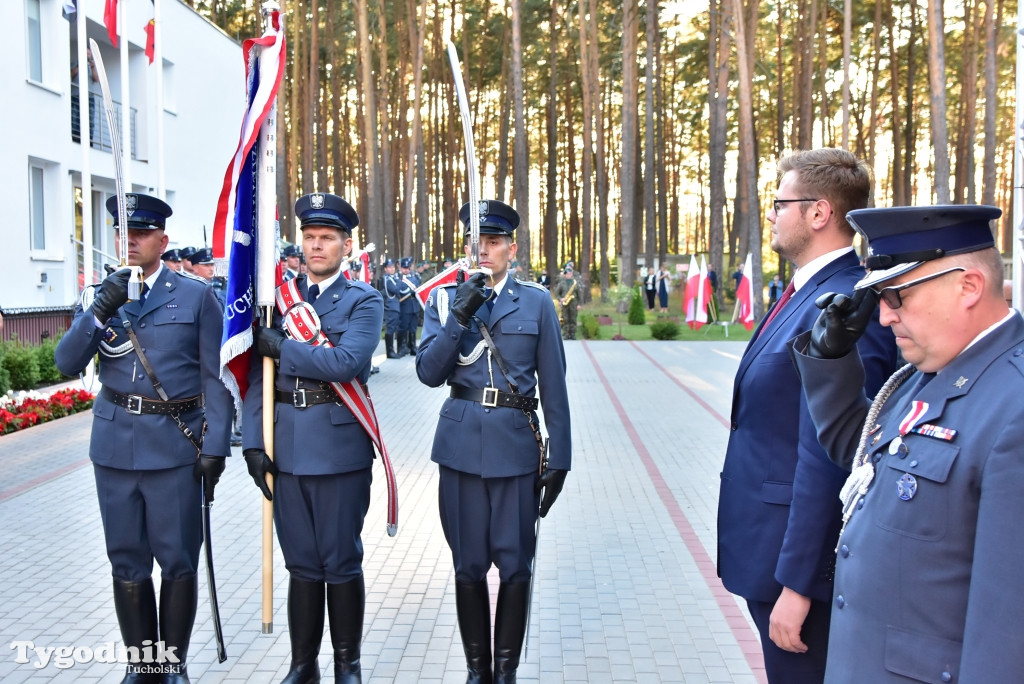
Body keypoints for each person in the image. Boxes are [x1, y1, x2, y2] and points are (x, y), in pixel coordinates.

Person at [789, 204, 1024, 682]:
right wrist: (831, 359)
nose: (883, 316)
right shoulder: (931, 375)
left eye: (897, 295)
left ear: (969, 287)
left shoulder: (1013, 404)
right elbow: (864, 456)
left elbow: (1008, 626)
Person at [716, 149, 898, 684]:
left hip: (793, 567)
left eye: (780, 203)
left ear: (819, 213)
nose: (770, 214)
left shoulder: (846, 305)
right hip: (766, 546)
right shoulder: (806, 293)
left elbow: (835, 454)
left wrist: (799, 584)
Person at [54, 193, 233, 683]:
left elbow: (214, 377)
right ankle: (142, 665)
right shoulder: (101, 293)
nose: (129, 241)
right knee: (127, 561)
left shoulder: (195, 296)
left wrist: (215, 446)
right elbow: (66, 363)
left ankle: (172, 665)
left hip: (175, 446)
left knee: (177, 561)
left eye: (141, 233)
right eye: (122, 232)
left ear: (162, 240)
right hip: (114, 445)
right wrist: (98, 312)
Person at [416, 199, 571, 684]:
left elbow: (554, 383)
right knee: (467, 568)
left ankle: (505, 672)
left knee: (516, 567)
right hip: (460, 447)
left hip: (516, 448)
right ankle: (476, 670)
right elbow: (427, 373)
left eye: (494, 242)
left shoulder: (537, 302)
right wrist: (460, 316)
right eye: (476, 242)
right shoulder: (443, 301)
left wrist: (560, 457)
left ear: (512, 248)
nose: (484, 250)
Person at [241, 192, 384, 684]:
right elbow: (259, 377)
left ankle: (349, 665)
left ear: (346, 245)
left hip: (340, 447)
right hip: (286, 447)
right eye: (310, 237)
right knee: (301, 562)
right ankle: (303, 666)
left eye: (327, 238)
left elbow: (347, 364)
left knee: (340, 560)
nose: (316, 246)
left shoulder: (365, 300)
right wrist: (252, 441)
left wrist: (286, 347)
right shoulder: (277, 300)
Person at [397, 257, 422, 356]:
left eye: (407, 268)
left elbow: (418, 288)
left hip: (414, 306)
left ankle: (412, 347)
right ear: (401, 268)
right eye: (404, 268)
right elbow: (400, 291)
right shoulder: (399, 279)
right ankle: (401, 348)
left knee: (413, 328)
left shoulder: (414, 278)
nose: (406, 270)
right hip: (405, 306)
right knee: (403, 327)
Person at [380, 258, 402, 359]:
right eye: (389, 267)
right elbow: (396, 289)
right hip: (391, 306)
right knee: (390, 329)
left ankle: (392, 350)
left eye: (393, 267)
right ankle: (389, 352)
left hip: (395, 306)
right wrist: (399, 281)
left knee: (393, 328)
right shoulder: (388, 279)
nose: (392, 269)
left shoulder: (393, 278)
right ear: (385, 269)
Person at [554, 264, 579, 340]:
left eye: (570, 273)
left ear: (572, 273)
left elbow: (579, 294)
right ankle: (566, 334)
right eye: (567, 273)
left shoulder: (575, 282)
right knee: (565, 319)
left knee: (573, 319)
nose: (568, 274)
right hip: (565, 303)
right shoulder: (562, 283)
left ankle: (573, 334)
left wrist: (579, 304)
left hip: (573, 303)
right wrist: (560, 299)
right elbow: (557, 293)